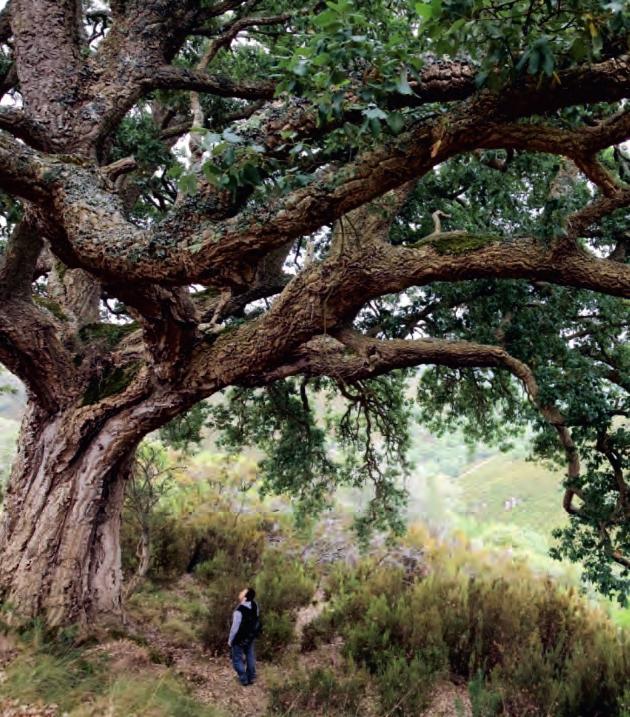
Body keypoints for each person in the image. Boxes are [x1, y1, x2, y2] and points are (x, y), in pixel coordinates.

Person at [228, 587, 259, 686]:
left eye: (243, 592)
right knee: (250, 655)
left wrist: (230, 640)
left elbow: (234, 628)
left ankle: (244, 678)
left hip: (239, 638)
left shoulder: (239, 611)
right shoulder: (255, 605)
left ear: (245, 598)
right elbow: (256, 619)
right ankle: (251, 676)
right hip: (251, 636)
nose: (240, 592)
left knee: (236, 659)